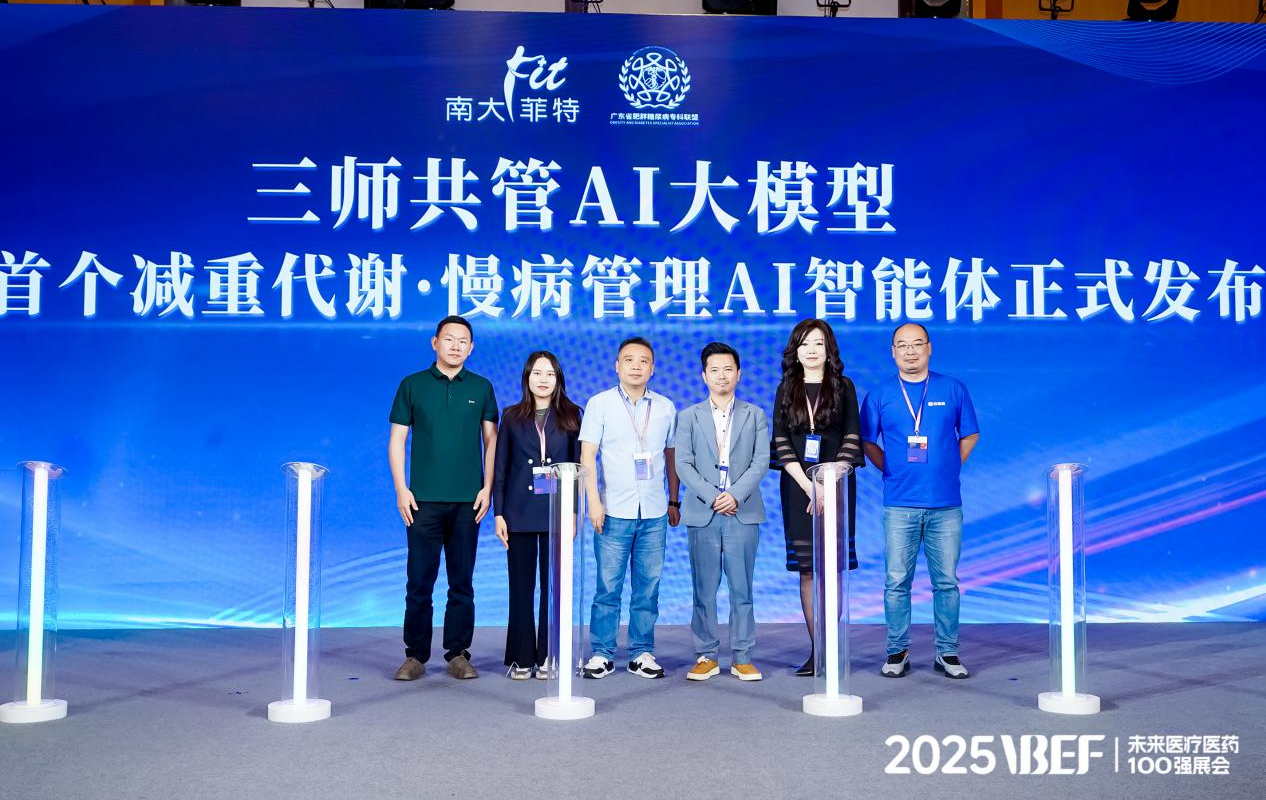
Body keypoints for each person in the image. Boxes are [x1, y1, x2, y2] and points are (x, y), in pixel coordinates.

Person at [861, 323, 980, 680]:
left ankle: (948, 652)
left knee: (946, 583)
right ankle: (897, 650)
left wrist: (949, 466)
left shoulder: (953, 388)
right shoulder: (880, 395)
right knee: (897, 581)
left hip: (945, 503)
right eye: (902, 345)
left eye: (917, 344)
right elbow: (867, 442)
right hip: (900, 503)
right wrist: (891, 469)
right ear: (893, 352)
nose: (910, 351)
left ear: (930, 348)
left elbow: (970, 434)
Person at [388, 316, 498, 681]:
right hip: (422, 501)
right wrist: (401, 489)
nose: (455, 346)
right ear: (435, 342)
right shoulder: (412, 385)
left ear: (471, 348)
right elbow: (397, 440)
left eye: (463, 341)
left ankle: (458, 653)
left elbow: (491, 440)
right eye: (449, 339)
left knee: (461, 582)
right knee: (419, 582)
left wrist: (487, 487)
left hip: (468, 502)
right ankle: (415, 655)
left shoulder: (481, 387)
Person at [579, 336, 680, 679]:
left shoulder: (665, 407)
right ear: (617, 366)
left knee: (648, 587)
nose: (636, 366)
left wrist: (674, 499)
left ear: (652, 368)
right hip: (613, 511)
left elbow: (671, 456)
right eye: (629, 360)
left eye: (643, 361)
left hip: (654, 512)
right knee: (608, 587)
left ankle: (641, 652)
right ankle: (602, 653)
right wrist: (594, 502)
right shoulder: (600, 404)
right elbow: (587, 456)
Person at [771, 319, 864, 677]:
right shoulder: (786, 387)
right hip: (798, 489)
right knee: (808, 570)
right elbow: (781, 442)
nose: (811, 350)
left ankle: (832, 647)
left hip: (837, 485)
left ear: (829, 350)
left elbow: (852, 438)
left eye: (818, 344)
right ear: (795, 350)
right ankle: (817, 650)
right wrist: (810, 486)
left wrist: (827, 482)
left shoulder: (843, 386)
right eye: (805, 344)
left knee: (832, 570)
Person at [674, 342, 770, 682]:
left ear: (738, 374)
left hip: (742, 511)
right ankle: (707, 655)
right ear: (704, 376)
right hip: (704, 512)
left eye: (728, 369)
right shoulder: (688, 416)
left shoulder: (755, 414)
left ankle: (742, 656)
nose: (722, 376)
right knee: (704, 589)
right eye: (714, 370)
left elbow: (761, 461)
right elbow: (683, 464)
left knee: (742, 588)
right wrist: (714, 496)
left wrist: (735, 495)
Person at [492, 351, 582, 680]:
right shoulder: (511, 416)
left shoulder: (573, 415)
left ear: (558, 379)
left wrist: (574, 513)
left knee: (553, 587)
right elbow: (501, 468)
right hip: (518, 513)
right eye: (537, 373)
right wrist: (499, 514)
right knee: (521, 587)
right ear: (526, 378)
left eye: (550, 374)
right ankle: (522, 657)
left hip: (557, 512)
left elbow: (577, 470)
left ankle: (549, 654)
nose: (543, 380)